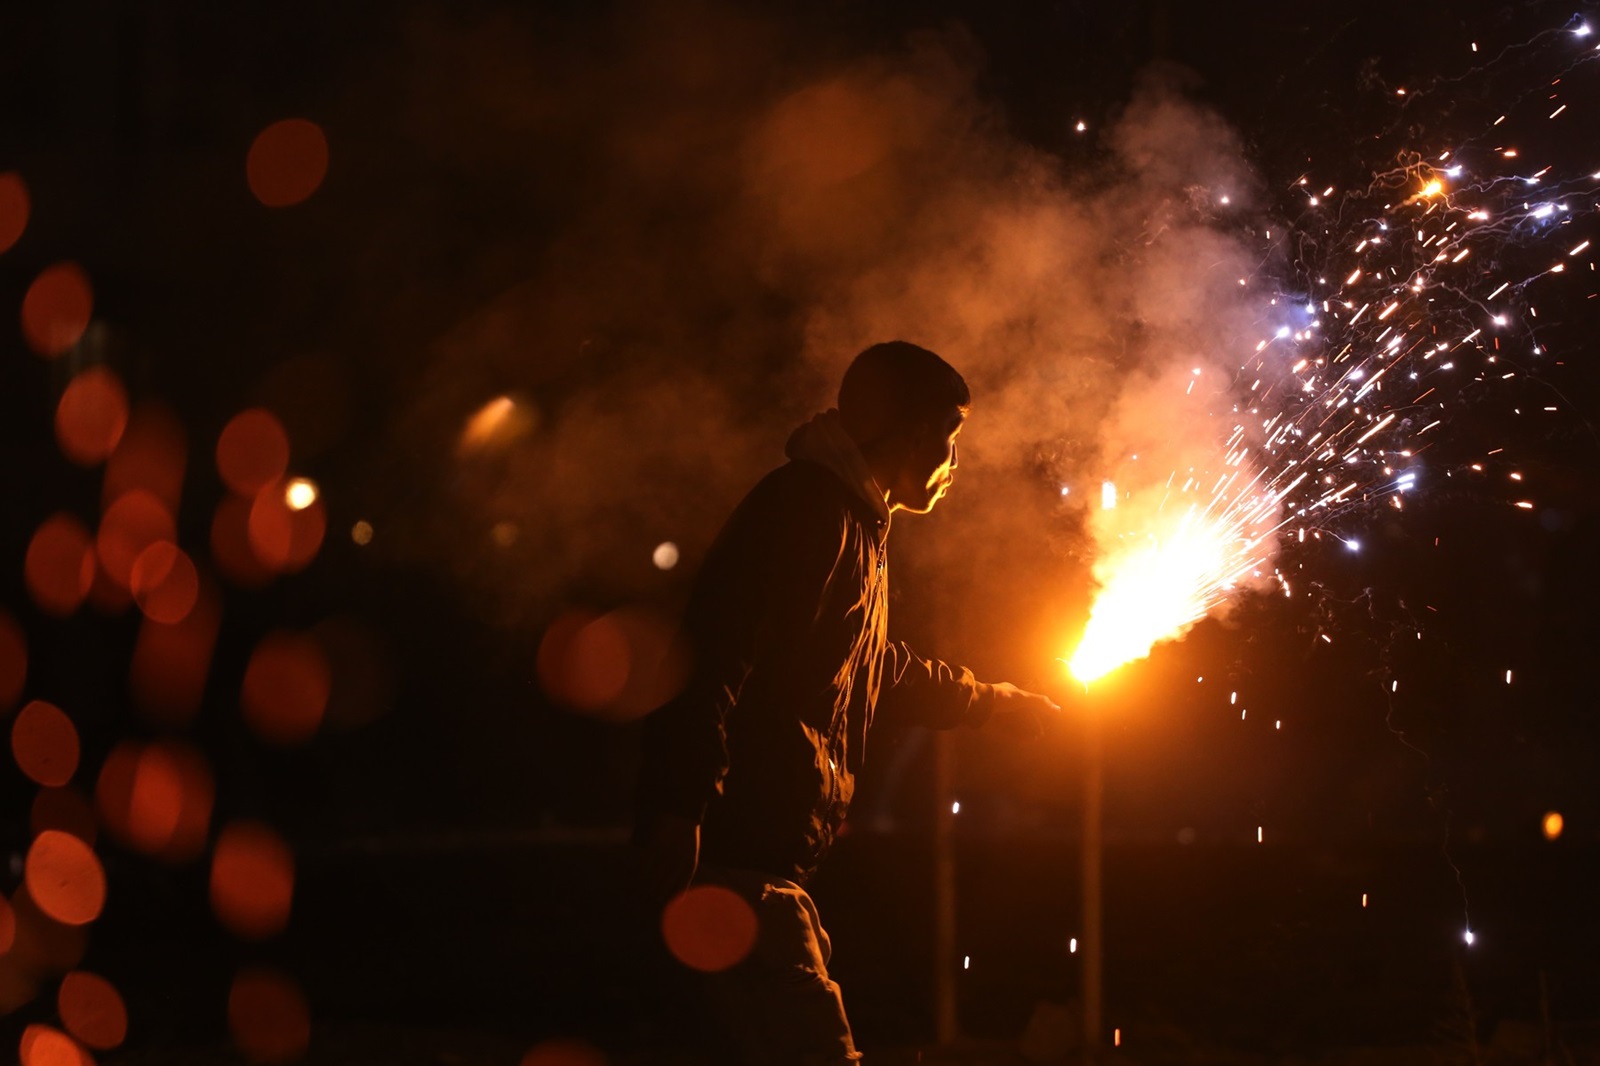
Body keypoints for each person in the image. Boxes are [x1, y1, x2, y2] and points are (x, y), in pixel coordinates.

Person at [636, 341, 1061, 1064]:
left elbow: (870, 667)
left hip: (767, 865)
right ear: (917, 436)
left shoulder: (854, 522)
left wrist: (990, 701)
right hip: (741, 862)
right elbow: (709, 656)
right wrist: (682, 808)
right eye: (950, 441)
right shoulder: (808, 511)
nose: (955, 463)